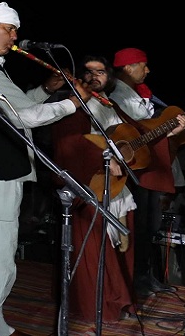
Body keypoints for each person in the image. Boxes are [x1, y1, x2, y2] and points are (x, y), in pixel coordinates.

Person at [0, 2, 92, 336]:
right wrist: (73, 102)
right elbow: (24, 116)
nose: (14, 36)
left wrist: (46, 90)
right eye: (9, 29)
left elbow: (13, 108)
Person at [50, 55, 138, 323]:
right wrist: (103, 159)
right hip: (89, 185)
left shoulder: (111, 104)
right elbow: (68, 146)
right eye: (88, 72)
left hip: (116, 184)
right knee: (95, 249)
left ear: (109, 76)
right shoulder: (72, 106)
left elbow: (132, 134)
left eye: (100, 71)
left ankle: (121, 302)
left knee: (121, 246)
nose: (94, 76)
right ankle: (100, 306)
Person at [108, 47, 185, 296]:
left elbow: (153, 130)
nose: (148, 70)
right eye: (143, 65)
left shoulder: (143, 94)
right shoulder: (117, 96)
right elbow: (137, 131)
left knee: (150, 225)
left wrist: (173, 129)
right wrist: (167, 129)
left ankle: (146, 276)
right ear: (128, 67)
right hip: (134, 168)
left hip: (149, 167)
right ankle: (134, 280)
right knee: (139, 227)